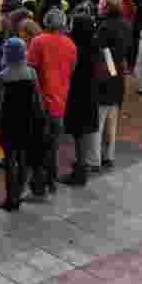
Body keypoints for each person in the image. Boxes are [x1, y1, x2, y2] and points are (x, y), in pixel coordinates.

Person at [26, 9, 76, 197]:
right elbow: (71, 69)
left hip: (40, 102)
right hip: (60, 102)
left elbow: (31, 70)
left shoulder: (38, 42)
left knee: (38, 144)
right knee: (53, 144)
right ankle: (51, 180)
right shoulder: (70, 44)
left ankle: (39, 184)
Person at [0, 38, 47, 211]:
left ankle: (11, 198)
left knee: (10, 161)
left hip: (9, 123)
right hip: (27, 121)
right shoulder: (31, 73)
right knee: (23, 158)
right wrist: (40, 118)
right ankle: (19, 191)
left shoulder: (2, 76)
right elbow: (38, 99)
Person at [59, 14, 100, 187]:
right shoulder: (95, 45)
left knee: (79, 133)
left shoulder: (74, 47)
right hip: (92, 94)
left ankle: (80, 171)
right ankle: (81, 165)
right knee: (83, 132)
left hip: (77, 94)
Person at [91, 0, 129, 171]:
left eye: (100, 4)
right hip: (118, 76)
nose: (98, 6)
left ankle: (94, 159)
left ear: (107, 7)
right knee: (112, 121)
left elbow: (98, 49)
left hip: (105, 77)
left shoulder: (105, 27)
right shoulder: (126, 24)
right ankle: (109, 155)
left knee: (98, 122)